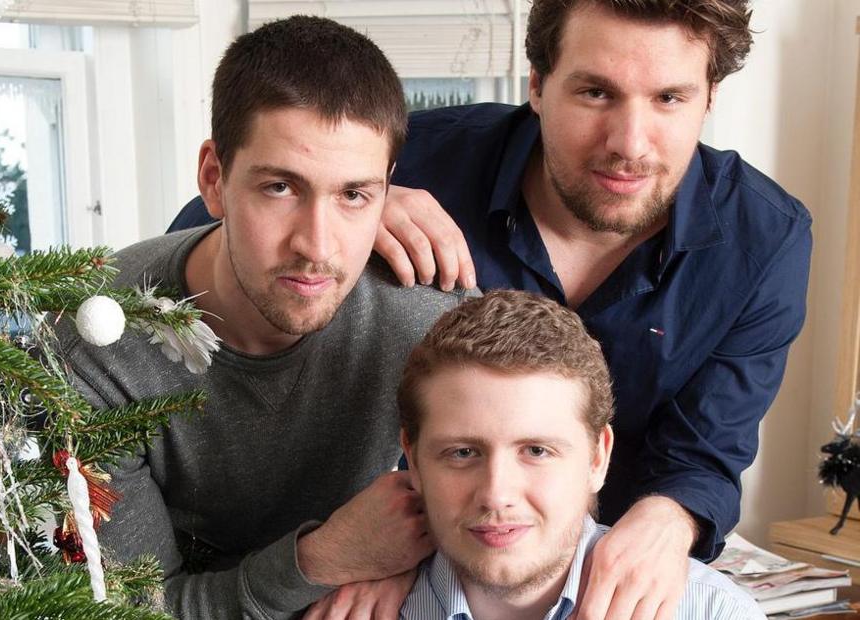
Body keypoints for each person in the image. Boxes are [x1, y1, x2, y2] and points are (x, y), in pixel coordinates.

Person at [168, 1, 811, 617]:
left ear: (709, 98)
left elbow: (706, 449)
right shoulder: (420, 160)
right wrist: (350, 212)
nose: (629, 143)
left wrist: (667, 522)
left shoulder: (765, 240)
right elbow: (214, 248)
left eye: (670, 98)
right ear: (537, 83)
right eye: (595, 93)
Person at [55, 16, 469, 619]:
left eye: (353, 194)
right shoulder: (97, 343)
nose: (318, 246)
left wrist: (414, 567)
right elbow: (133, 610)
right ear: (214, 180)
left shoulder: (424, 315)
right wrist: (323, 560)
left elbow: (532, 507)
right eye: (280, 187)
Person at [396, 290, 764, 620]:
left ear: (597, 458)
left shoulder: (716, 613)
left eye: (537, 451)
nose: (496, 494)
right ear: (412, 460)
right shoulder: (349, 606)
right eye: (462, 453)